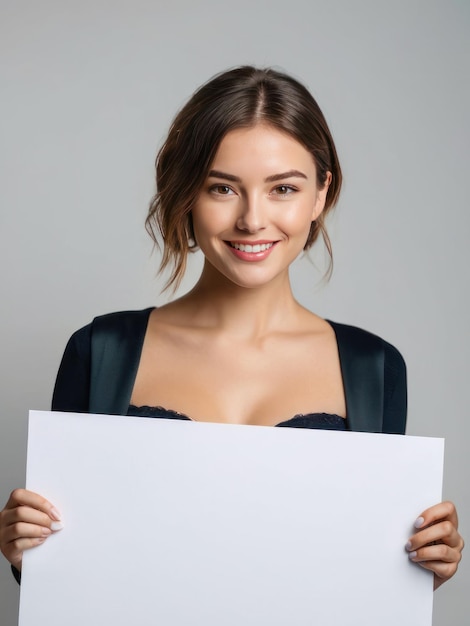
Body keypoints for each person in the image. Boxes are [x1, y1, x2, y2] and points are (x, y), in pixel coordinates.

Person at [0, 66, 463, 590]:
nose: (252, 219)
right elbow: (68, 576)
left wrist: (422, 564)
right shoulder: (100, 351)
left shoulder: (374, 368)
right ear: (185, 194)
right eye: (223, 188)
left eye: (283, 188)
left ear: (320, 195)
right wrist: (24, 550)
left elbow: (360, 575)